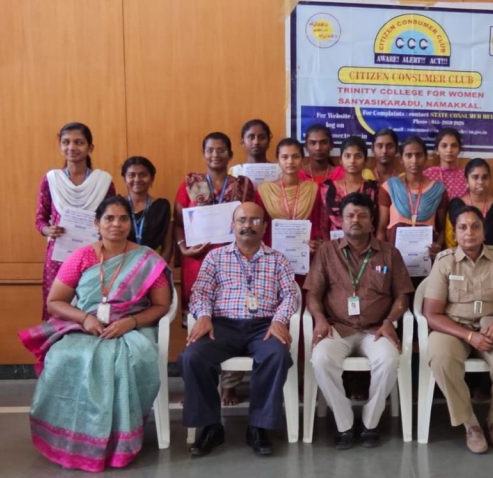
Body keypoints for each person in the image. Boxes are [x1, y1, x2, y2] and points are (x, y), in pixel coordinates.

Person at [19, 196, 172, 472]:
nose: (116, 224)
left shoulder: (147, 258)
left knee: (127, 361)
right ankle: (72, 439)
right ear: (97, 224)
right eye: (109, 218)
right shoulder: (82, 256)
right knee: (63, 356)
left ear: (130, 223)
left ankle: (118, 441)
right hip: (85, 326)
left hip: (132, 328)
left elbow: (161, 306)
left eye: (123, 218)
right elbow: (55, 301)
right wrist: (85, 318)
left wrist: (131, 322)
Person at [181, 202, 300, 458]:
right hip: (222, 326)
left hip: (264, 326)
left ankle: (258, 427)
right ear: (232, 226)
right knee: (193, 357)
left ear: (265, 227)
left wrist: (279, 320)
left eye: (255, 220)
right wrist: (204, 316)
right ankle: (211, 427)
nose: (248, 225)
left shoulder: (278, 259)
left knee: (277, 355)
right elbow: (200, 292)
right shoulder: (216, 257)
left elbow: (290, 295)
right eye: (242, 220)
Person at [305, 192, 414, 449]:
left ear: (372, 221)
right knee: (320, 359)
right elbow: (313, 294)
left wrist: (390, 321)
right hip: (337, 327)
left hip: (376, 330)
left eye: (362, 215)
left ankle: (370, 422)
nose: (356, 220)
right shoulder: (327, 251)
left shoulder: (389, 253)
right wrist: (319, 319)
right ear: (341, 221)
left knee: (389, 360)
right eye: (350, 215)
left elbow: (402, 295)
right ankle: (344, 424)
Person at [421, 206, 493, 454]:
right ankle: (470, 423)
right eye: (463, 227)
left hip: (492, 330)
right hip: (454, 330)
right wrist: (469, 336)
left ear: (484, 231)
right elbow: (431, 314)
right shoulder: (445, 261)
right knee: (441, 357)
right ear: (455, 233)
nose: (469, 232)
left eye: (475, 226)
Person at [35, 122, 116, 322]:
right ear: (60, 146)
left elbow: (111, 216)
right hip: (58, 256)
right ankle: (57, 342)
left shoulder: (103, 182)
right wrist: (47, 230)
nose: (72, 147)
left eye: (79, 142)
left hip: (94, 255)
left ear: (90, 148)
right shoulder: (51, 179)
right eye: (66, 142)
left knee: (91, 305)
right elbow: (40, 218)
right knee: (57, 307)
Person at [174, 132, 258, 312]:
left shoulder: (244, 185)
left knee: (232, 313)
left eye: (221, 150)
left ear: (230, 154)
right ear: (203, 153)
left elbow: (254, 221)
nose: (215, 155)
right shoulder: (190, 184)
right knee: (197, 315)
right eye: (210, 150)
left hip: (235, 260)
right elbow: (179, 224)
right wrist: (184, 249)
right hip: (198, 258)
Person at [377, 136, 447, 258]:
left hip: (427, 258)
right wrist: (383, 257)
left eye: (418, 155)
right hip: (394, 258)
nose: (414, 160)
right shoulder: (389, 187)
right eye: (409, 155)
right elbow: (381, 229)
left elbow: (442, 229)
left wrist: (438, 246)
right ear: (401, 159)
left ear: (425, 158)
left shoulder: (438, 190)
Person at [258, 137, 326, 260]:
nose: (290, 161)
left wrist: (317, 242)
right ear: (278, 160)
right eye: (285, 157)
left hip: (304, 255)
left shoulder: (313, 189)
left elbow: (317, 224)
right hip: (271, 255)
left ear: (302, 159)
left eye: (295, 157)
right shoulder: (265, 191)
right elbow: (261, 226)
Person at [444, 158, 493, 249]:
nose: (480, 182)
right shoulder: (456, 206)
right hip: (461, 257)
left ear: (490, 179)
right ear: (466, 181)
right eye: (475, 177)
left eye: (485, 177)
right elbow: (450, 242)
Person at [321, 136, 382, 233]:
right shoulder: (328, 189)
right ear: (340, 160)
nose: (352, 161)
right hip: (336, 240)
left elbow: (377, 222)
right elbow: (323, 224)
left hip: (365, 239)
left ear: (365, 161)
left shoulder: (373, 188)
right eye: (347, 156)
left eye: (358, 156)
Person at [121, 156, 173, 262]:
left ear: (152, 178)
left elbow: (168, 246)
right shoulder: (116, 205)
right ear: (125, 179)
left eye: (143, 175)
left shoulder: (162, 206)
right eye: (132, 175)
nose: (137, 179)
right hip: (121, 264)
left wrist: (159, 269)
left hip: (153, 264)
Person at [424, 127, 468, 199]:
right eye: (444, 146)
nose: (449, 150)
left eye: (454, 146)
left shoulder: (466, 176)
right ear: (437, 150)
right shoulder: (427, 174)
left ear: (459, 150)